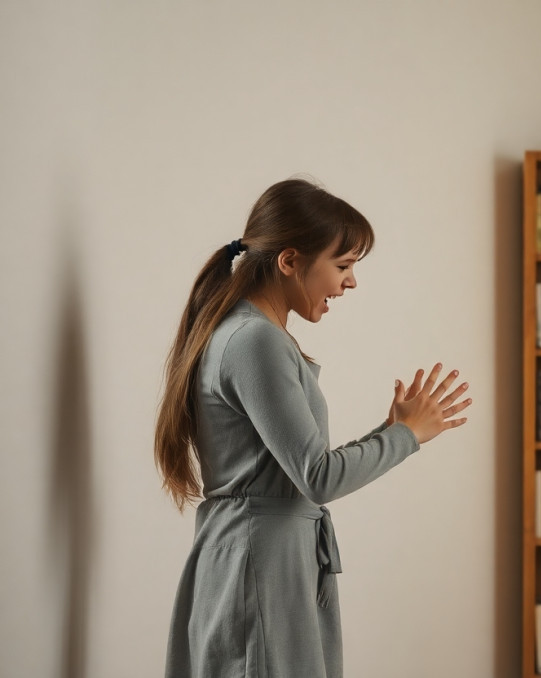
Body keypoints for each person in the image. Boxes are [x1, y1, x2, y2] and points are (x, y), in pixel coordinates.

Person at [155, 178, 472, 677]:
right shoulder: (253, 341)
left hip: (267, 560)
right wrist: (405, 436)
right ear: (290, 261)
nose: (350, 282)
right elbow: (317, 477)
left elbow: (296, 469)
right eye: (342, 265)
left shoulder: (255, 335)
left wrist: (390, 431)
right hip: (259, 564)